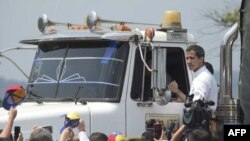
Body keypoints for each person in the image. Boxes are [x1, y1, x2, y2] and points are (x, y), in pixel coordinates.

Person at [168, 45, 218, 111]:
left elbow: (196, 106)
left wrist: (177, 91)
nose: (188, 62)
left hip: (201, 120)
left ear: (201, 59)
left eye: (192, 58)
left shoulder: (202, 78)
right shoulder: (203, 75)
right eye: (187, 58)